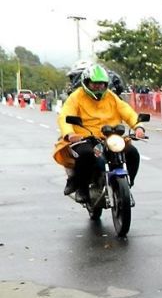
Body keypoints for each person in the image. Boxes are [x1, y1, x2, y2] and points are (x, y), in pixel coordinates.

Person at [53, 64, 146, 203]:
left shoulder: (111, 96)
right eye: (95, 84)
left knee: (132, 153)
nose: (99, 87)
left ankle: (127, 184)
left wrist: (138, 127)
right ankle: (82, 188)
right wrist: (70, 134)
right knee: (87, 155)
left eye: (102, 84)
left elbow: (127, 112)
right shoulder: (76, 97)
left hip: (110, 137)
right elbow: (64, 116)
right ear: (86, 83)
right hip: (86, 138)